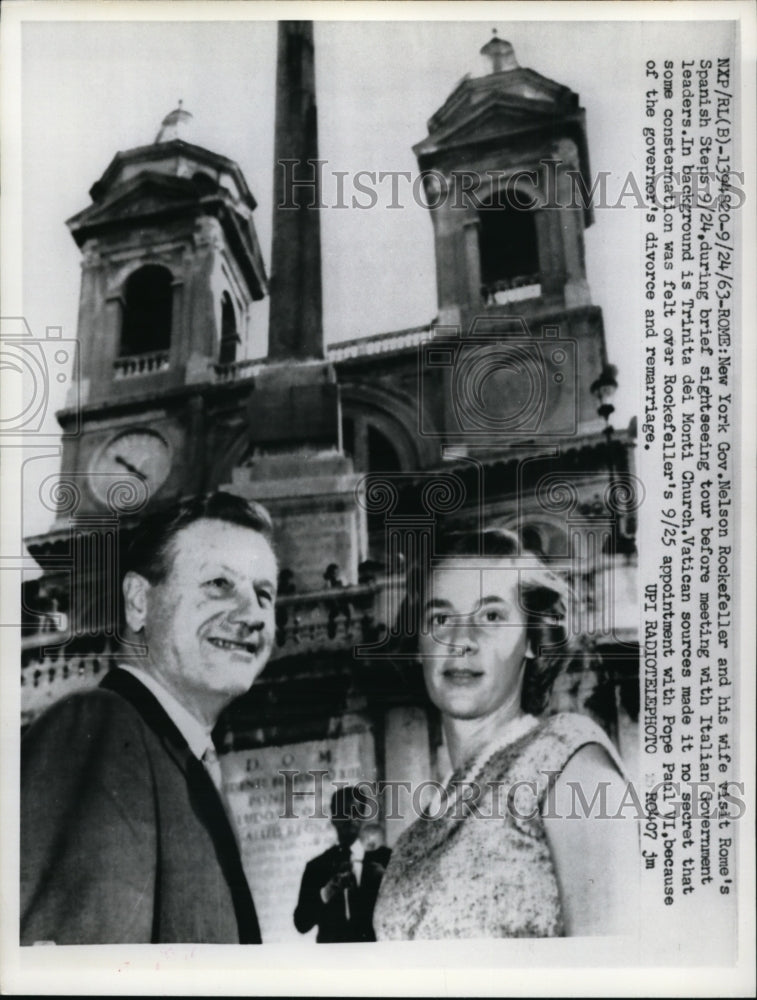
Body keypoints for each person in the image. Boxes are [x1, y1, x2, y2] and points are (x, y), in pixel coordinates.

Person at [20, 491, 278, 945]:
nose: (252, 615)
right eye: (219, 584)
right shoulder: (99, 728)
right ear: (139, 601)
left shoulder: (181, 761)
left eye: (264, 594)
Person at [374, 528, 638, 939]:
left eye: (491, 616)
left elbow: (617, 965)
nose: (462, 641)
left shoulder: (569, 760)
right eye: (440, 618)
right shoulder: (416, 834)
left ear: (531, 640)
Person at [293, 786, 391, 943]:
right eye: (344, 812)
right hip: (333, 962)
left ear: (363, 817)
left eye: (356, 812)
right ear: (333, 819)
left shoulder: (385, 860)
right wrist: (326, 892)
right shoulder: (316, 867)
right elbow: (301, 924)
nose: (351, 818)